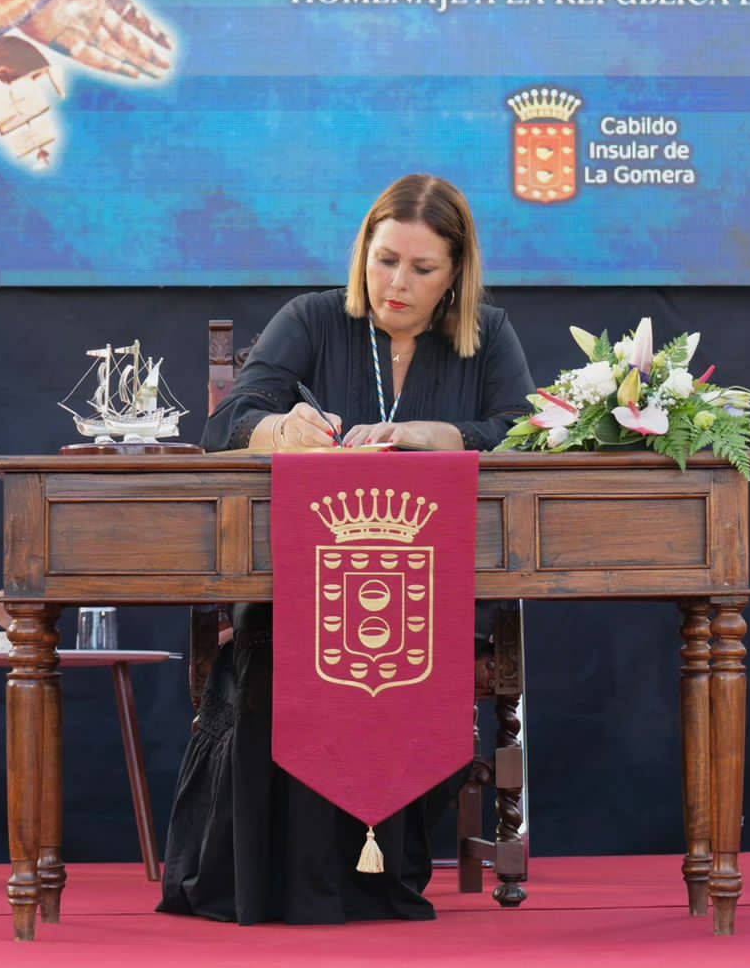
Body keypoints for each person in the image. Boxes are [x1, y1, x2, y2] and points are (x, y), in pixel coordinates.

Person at [159, 173, 534, 924]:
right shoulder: (314, 318)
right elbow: (227, 421)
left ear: (456, 273)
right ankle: (279, 878)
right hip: (304, 589)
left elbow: (525, 433)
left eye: (422, 268)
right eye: (384, 259)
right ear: (363, 249)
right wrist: (280, 429)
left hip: (432, 596)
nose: (397, 284)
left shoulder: (488, 335)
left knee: (406, 663)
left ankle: (376, 873)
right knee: (275, 655)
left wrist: (434, 434)